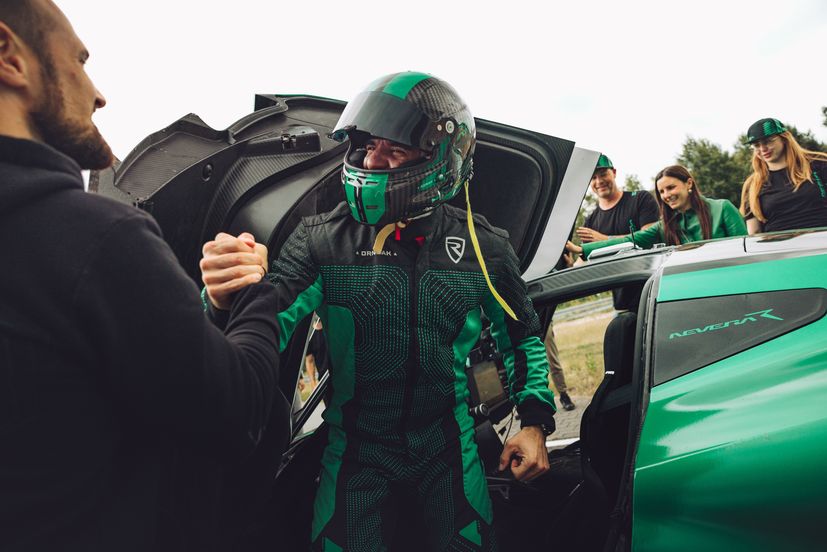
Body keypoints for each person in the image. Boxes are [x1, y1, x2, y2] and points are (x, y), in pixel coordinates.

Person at [201, 71, 557, 551]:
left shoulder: (485, 246)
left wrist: (534, 423)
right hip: (355, 455)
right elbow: (262, 328)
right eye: (369, 146)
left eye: (395, 149)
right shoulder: (321, 240)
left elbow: (523, 338)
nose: (372, 160)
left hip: (449, 451)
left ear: (442, 158)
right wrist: (222, 297)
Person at [0, 2, 288, 550]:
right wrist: (249, 292)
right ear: (8, 57)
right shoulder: (96, 240)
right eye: (79, 62)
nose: (97, 94)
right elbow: (239, 415)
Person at [569, 165, 747, 259]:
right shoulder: (665, 226)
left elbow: (745, 251)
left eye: (671, 188)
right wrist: (580, 248)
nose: (666, 195)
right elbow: (629, 241)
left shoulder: (722, 208)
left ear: (689, 184)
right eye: (662, 191)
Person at [576, 154, 659, 310]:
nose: (599, 181)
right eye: (593, 177)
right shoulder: (590, 221)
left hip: (654, 293)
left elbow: (651, 238)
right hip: (622, 305)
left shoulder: (640, 199)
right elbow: (583, 262)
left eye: (603, 174)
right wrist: (571, 265)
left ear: (614, 173)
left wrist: (604, 239)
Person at [739, 117, 827, 234]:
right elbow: (754, 232)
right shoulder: (752, 185)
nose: (763, 149)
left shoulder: (819, 163)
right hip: (778, 245)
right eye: (756, 145)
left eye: (768, 141)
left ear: (784, 139)